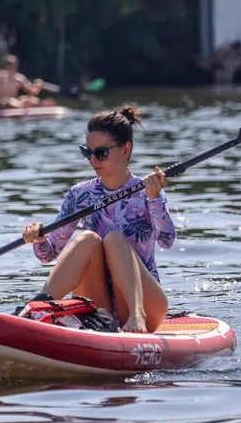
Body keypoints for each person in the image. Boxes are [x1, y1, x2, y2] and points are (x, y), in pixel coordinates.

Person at [21, 106, 174, 333]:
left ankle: (136, 316)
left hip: (147, 303)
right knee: (87, 239)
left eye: (100, 153)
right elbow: (48, 255)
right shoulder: (79, 194)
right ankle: (36, 309)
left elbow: (166, 241)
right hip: (98, 304)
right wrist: (38, 238)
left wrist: (154, 199)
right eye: (87, 152)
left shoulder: (147, 191)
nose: (93, 160)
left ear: (125, 149)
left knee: (114, 239)